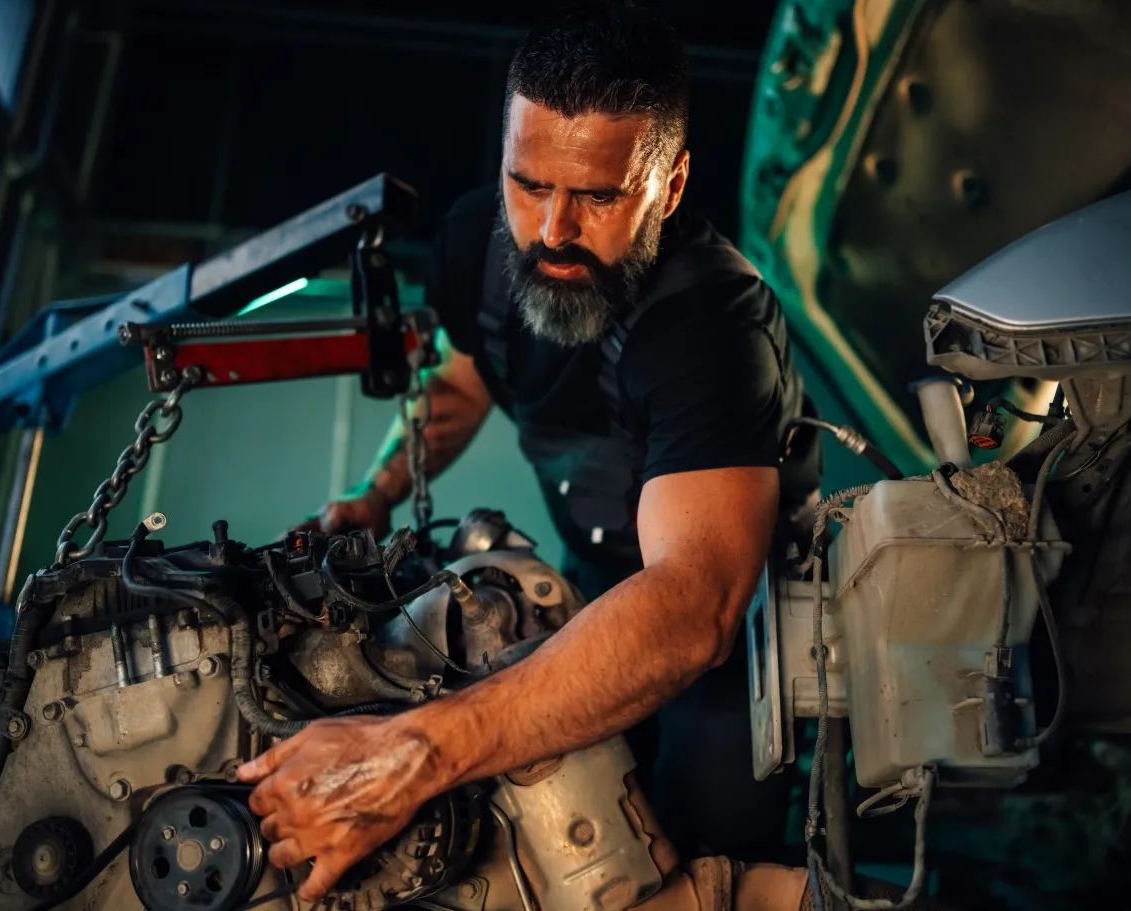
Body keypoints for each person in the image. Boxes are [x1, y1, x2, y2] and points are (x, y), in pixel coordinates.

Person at [239, 1, 822, 901]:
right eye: (529, 183)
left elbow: (693, 605)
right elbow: (465, 383)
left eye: (597, 195)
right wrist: (377, 495)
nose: (553, 230)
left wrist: (417, 750)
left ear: (668, 186)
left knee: (698, 861)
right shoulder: (481, 240)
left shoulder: (712, 330)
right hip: (591, 580)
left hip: (735, 638)